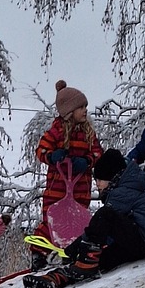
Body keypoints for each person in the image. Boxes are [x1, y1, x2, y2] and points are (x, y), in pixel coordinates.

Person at [23, 148, 145, 288]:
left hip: (143, 239)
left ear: (112, 178)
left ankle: (85, 265)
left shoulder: (124, 192)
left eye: (100, 180)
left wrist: (74, 248)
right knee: (99, 259)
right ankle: (57, 279)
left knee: (104, 215)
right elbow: (110, 231)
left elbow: (104, 224)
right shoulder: (125, 188)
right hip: (140, 243)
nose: (97, 184)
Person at [31, 81, 104, 268]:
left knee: (77, 223)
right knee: (51, 222)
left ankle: (71, 253)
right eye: (81, 107)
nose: (85, 111)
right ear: (69, 111)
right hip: (57, 190)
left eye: (86, 106)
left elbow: (98, 152)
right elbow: (41, 150)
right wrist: (52, 156)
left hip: (80, 190)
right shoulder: (56, 132)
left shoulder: (88, 134)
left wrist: (87, 160)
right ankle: (38, 253)